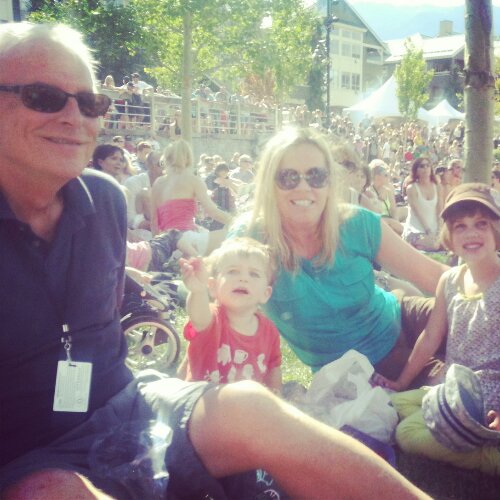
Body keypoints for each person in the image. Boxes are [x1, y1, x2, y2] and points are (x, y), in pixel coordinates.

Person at [0, 22, 431, 500]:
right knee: (52, 491)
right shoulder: (248, 230)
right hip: (23, 450)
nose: (73, 117)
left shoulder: (104, 200)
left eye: (89, 102)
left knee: (250, 404)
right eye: (43, 97)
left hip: (126, 404)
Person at [230, 128, 448, 380]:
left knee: (473, 319)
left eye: (316, 176)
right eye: (288, 177)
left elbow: (438, 277)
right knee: (452, 390)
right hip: (355, 371)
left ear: (329, 183)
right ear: (269, 183)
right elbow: (221, 315)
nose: (304, 187)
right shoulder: (250, 237)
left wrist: (481, 279)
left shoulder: (357, 222)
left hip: (402, 316)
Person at [376, 183, 500, 474]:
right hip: (454, 389)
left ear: (496, 229)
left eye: (481, 224)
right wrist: (401, 382)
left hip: (489, 398)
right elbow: (431, 336)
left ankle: (490, 458)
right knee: (394, 404)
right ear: (450, 236)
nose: (471, 233)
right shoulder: (451, 280)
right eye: (460, 226)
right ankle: (455, 427)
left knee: (406, 434)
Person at [180, 238, 282, 392]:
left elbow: (273, 368)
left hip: (246, 404)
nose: (243, 278)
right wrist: (198, 291)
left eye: (254, 274)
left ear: (265, 293)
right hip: (205, 401)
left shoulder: (269, 331)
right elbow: (198, 318)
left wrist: (276, 398)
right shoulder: (212, 318)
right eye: (233, 271)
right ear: (213, 286)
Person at [151, 139, 231, 256]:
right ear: (188, 158)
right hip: (188, 241)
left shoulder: (158, 183)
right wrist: (235, 222)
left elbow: (154, 222)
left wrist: (160, 251)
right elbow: (212, 212)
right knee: (232, 235)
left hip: (166, 244)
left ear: (167, 158)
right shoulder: (193, 180)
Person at [402, 158, 443, 251]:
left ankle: (419, 246)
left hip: (435, 230)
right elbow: (417, 213)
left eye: (427, 165)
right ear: (416, 171)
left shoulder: (438, 187)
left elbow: (440, 210)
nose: (425, 168)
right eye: (422, 166)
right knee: (434, 245)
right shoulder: (411, 188)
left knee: (446, 243)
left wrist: (439, 230)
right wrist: (428, 231)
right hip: (416, 230)